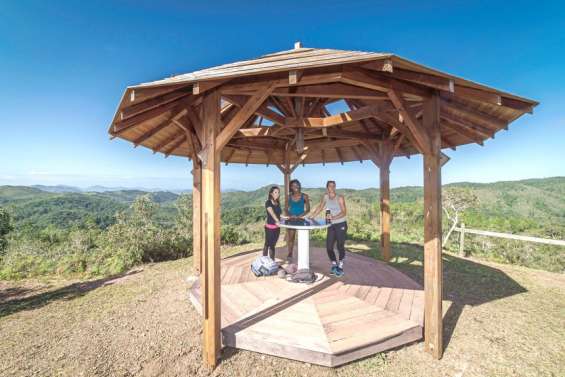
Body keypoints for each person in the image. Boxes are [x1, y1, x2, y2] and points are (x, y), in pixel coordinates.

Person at [309, 180, 348, 276]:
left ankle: (341, 267)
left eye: (333, 186)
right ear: (327, 187)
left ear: (335, 187)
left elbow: (344, 212)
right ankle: (334, 264)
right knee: (329, 247)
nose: (332, 187)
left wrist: (333, 217)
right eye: (330, 186)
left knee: (340, 246)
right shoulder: (325, 197)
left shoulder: (340, 197)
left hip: (341, 224)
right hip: (330, 225)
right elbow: (320, 207)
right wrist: (312, 216)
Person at [285, 179, 310, 261]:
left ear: (299, 185)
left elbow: (308, 209)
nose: (295, 187)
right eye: (293, 185)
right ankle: (290, 253)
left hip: (301, 219)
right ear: (291, 187)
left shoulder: (305, 196)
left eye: (297, 185)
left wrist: (299, 216)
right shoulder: (289, 196)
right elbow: (286, 209)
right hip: (291, 219)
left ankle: (303, 255)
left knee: (302, 238)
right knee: (291, 238)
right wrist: (291, 215)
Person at [263, 186, 283, 260]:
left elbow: (279, 214)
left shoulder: (277, 202)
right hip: (269, 227)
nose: (277, 194)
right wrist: (277, 221)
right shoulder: (268, 202)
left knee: (273, 245)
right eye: (275, 192)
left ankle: (271, 262)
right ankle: (265, 261)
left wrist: (285, 217)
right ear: (271, 193)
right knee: (268, 244)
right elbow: (272, 213)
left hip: (277, 228)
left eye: (278, 192)